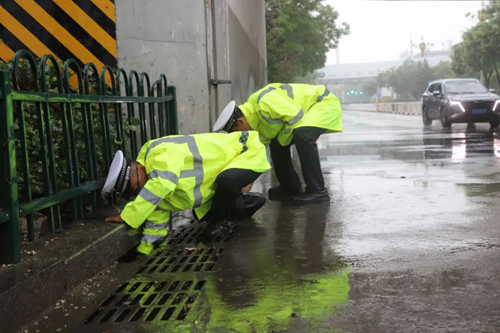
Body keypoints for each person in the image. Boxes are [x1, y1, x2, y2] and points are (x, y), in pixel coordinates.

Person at [101, 131, 270, 255]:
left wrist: (128, 216)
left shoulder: (158, 153)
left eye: (135, 186)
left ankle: (224, 220)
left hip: (247, 151)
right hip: (220, 178)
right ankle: (247, 202)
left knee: (226, 185)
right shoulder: (151, 183)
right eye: (134, 192)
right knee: (205, 215)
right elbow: (157, 212)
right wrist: (145, 248)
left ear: (138, 168)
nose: (139, 191)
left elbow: (162, 184)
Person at [213, 83, 342, 205]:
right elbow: (256, 152)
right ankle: (290, 188)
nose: (241, 135)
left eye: (237, 132)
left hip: (322, 103)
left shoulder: (264, 101)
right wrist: (246, 182)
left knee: (302, 134)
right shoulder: (255, 124)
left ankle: (318, 191)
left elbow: (297, 117)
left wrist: (281, 139)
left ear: (241, 121)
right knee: (277, 143)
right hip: (308, 113)